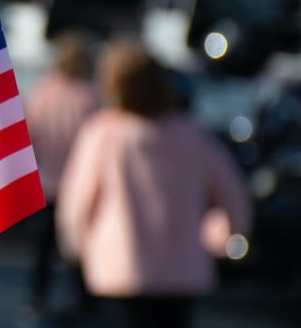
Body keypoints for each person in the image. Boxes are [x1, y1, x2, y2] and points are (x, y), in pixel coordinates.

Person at [56, 40, 251, 328]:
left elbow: (77, 202)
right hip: (182, 270)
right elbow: (232, 192)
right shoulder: (191, 133)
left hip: (120, 268)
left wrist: (77, 248)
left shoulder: (103, 133)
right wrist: (230, 236)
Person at [23, 32, 100, 316]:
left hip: (45, 182)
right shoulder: (90, 98)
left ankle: (37, 297)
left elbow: (28, 134)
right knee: (78, 249)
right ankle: (85, 302)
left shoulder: (42, 92)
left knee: (42, 249)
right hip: (78, 187)